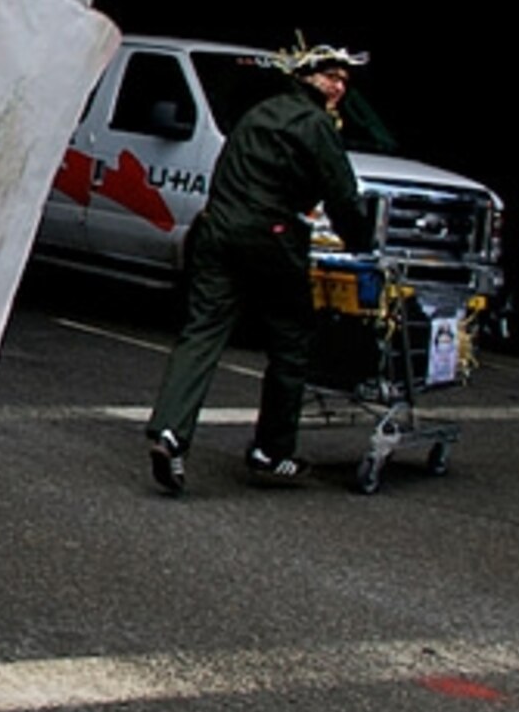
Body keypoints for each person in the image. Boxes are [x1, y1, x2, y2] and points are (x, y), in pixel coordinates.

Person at [144, 36, 378, 494]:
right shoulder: (314, 124)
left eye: (343, 81)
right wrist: (361, 243)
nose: (338, 88)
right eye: (331, 77)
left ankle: (169, 432)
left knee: (203, 331)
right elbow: (343, 194)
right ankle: (272, 451)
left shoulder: (258, 113)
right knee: (292, 338)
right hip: (270, 236)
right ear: (307, 78)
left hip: (217, 229)